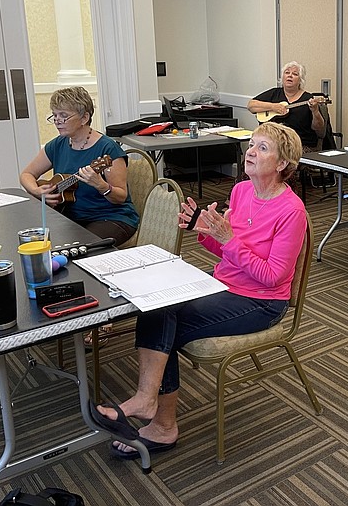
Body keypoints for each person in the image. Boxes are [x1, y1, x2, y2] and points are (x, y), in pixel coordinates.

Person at [91, 121, 307, 459]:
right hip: (223, 283)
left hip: (261, 301)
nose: (251, 151)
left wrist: (228, 239)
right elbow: (227, 252)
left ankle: (159, 421)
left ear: (282, 164)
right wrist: (202, 230)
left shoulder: (292, 211)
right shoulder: (242, 191)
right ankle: (151, 408)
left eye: (263, 148)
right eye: (252, 144)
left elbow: (272, 277)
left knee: (165, 327)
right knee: (156, 305)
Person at [20, 87, 139, 348]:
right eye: (54, 116)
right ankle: (62, 306)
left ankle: (104, 318)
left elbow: (120, 197)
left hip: (113, 217)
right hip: (71, 218)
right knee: (36, 245)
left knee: (81, 250)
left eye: (64, 115)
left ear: (84, 117)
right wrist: (39, 192)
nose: (57, 121)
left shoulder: (107, 150)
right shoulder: (58, 145)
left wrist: (100, 184)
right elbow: (26, 175)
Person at [247, 61, 327, 152]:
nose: (290, 76)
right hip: (273, 143)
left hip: (299, 145)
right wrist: (273, 107)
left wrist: (315, 111)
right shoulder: (274, 93)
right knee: (253, 153)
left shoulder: (308, 99)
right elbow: (251, 106)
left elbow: (320, 130)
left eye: (295, 74)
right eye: (287, 72)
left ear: (300, 80)